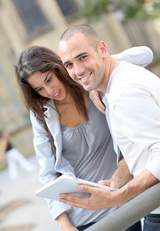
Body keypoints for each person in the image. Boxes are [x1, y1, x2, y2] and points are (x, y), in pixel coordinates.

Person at [15, 45, 152, 231]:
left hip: (119, 200)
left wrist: (96, 73)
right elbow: (47, 173)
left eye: (49, 79)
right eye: (39, 88)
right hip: (83, 216)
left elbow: (145, 54)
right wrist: (64, 224)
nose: (49, 90)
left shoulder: (91, 83)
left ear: (59, 68)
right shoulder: (42, 114)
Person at [58, 24, 160, 231]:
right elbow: (141, 150)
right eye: (69, 64)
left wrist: (118, 198)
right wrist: (115, 184)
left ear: (103, 49)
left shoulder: (123, 94)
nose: (77, 71)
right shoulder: (118, 81)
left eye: (83, 57)